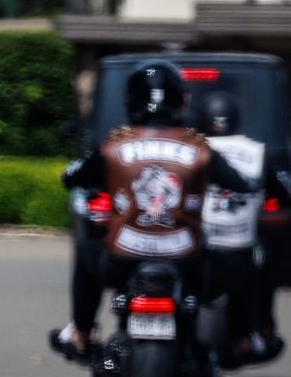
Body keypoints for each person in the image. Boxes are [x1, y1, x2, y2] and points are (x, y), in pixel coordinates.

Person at [50, 60, 252, 360]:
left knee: (86, 254)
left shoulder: (113, 145)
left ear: (131, 99)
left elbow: (71, 176)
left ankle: (80, 333)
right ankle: (242, 341)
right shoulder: (200, 147)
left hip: (123, 259)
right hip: (188, 261)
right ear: (180, 101)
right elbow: (241, 183)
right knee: (241, 262)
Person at [196, 91, 287, 366]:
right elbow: (282, 190)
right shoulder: (256, 151)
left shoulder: (189, 148)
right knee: (265, 267)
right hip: (240, 250)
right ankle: (255, 334)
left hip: (193, 247)